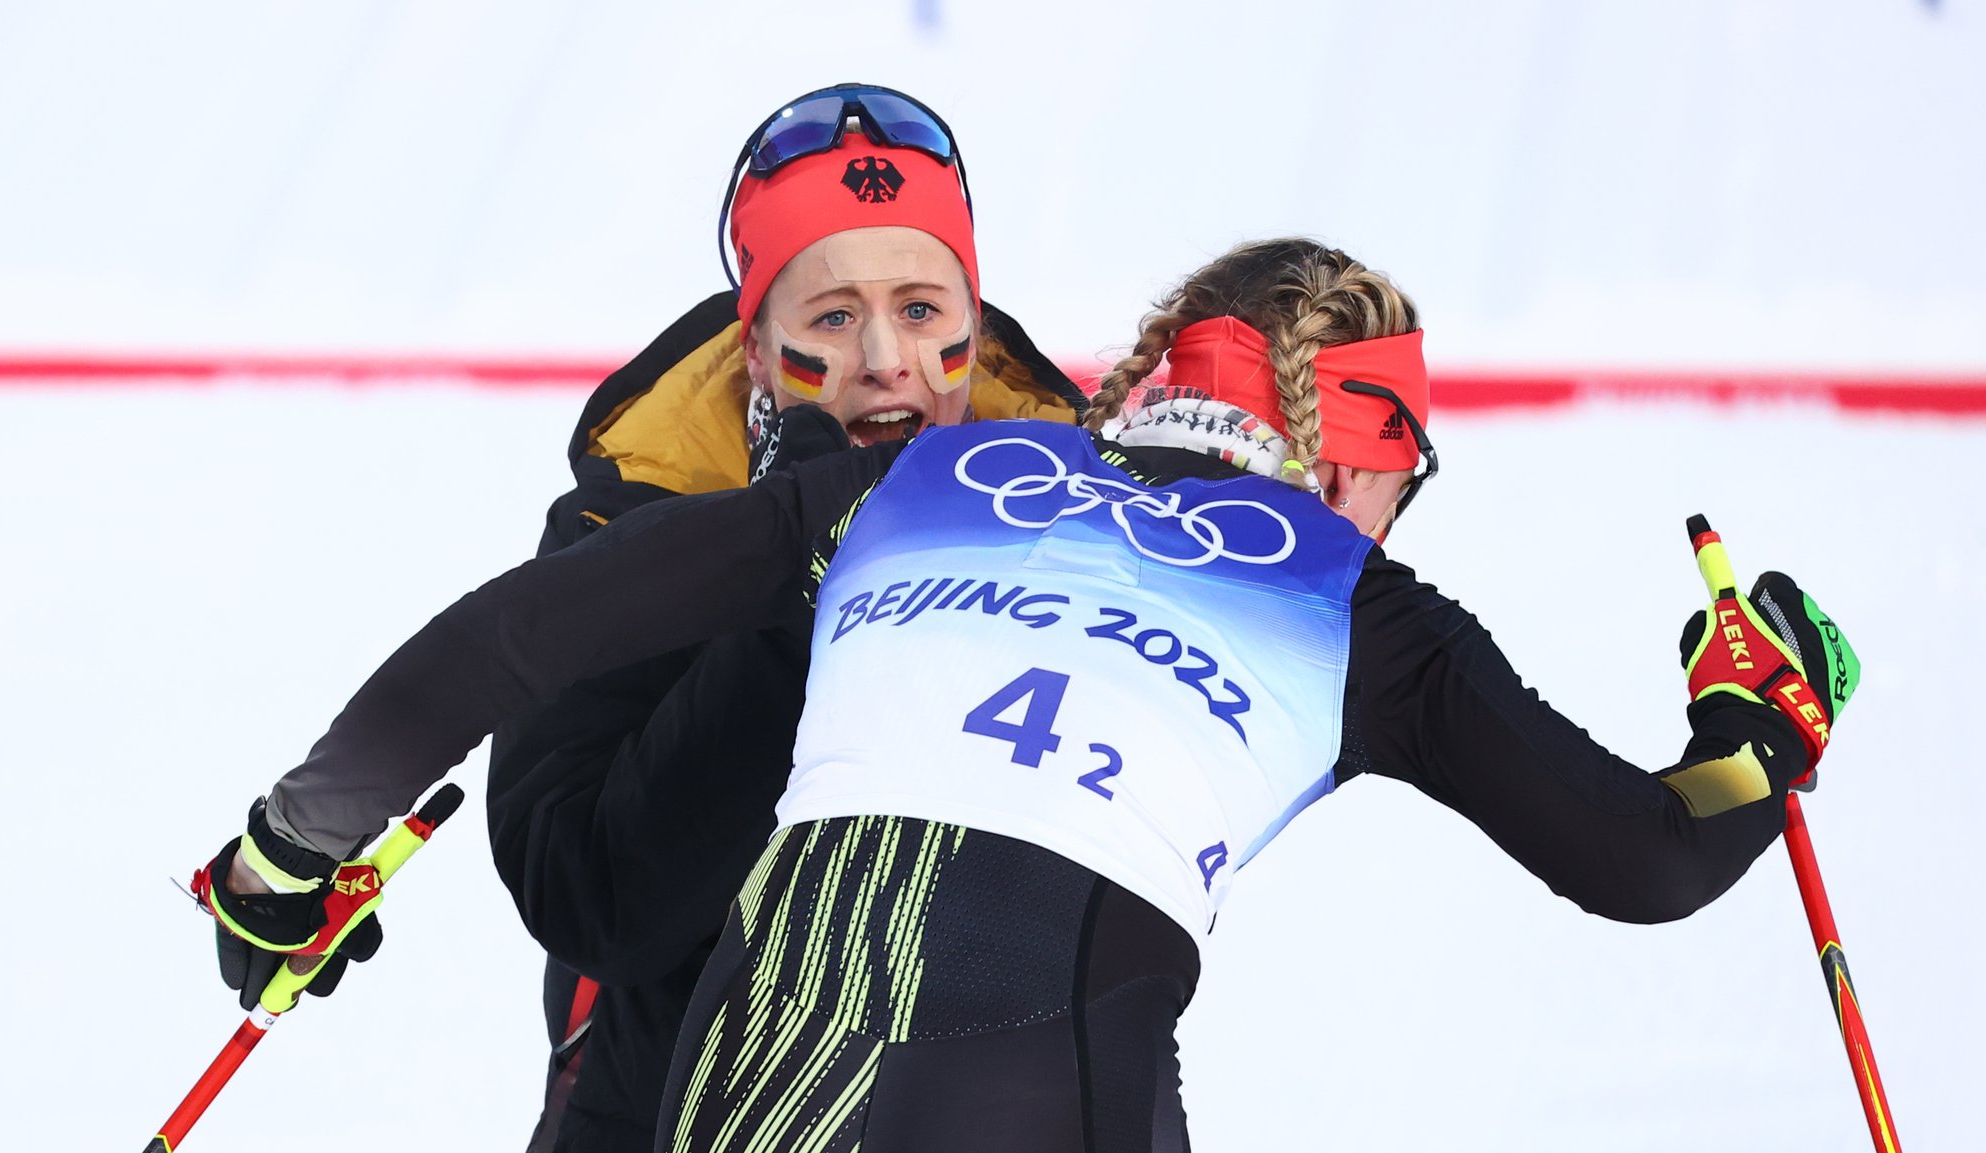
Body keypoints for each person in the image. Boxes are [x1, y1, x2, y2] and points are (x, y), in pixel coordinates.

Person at [193, 237, 1858, 1151]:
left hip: (749, 1065)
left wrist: (296, 845)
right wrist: (1755, 731)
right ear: (1353, 457)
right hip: (1051, 1081)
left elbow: (507, 642)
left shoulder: (921, 475)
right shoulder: (1360, 601)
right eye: (1394, 474)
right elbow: (1650, 854)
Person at [193, 83, 1086, 1152]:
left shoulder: (1087, 517)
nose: (885, 359)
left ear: (972, 330)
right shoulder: (645, 509)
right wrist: (791, 614)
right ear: (756, 349)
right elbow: (594, 900)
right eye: (833, 317)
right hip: (667, 1105)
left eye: (922, 309)